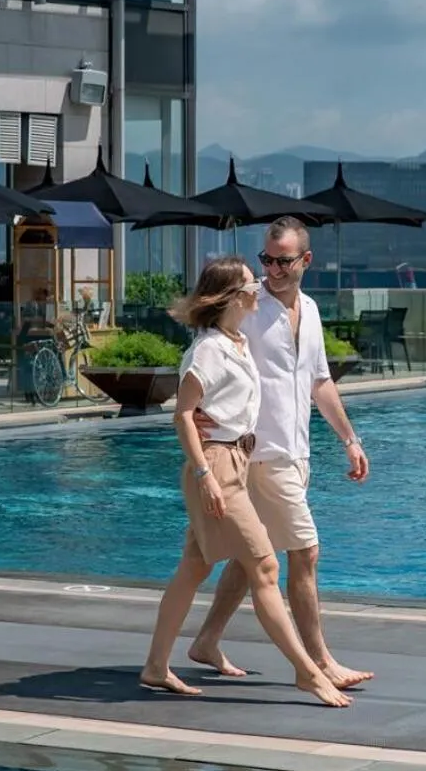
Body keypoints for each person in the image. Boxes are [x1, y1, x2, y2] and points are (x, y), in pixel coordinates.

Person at [139, 255, 351, 709]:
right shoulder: (208, 350)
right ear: (233, 298)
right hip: (216, 468)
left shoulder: (238, 343)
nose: (259, 291)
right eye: (252, 286)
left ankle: (157, 665)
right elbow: (183, 415)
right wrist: (205, 476)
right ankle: (308, 673)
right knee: (266, 567)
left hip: (237, 460)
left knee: (194, 567)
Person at [188, 218, 372, 690]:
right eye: (266, 260)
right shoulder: (249, 304)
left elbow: (320, 382)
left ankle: (206, 640)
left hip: (295, 451)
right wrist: (196, 410)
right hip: (258, 453)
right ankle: (318, 662)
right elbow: (207, 344)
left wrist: (349, 439)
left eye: (283, 261)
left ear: (305, 260)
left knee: (250, 555)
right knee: (306, 552)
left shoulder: (310, 309)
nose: (272, 270)